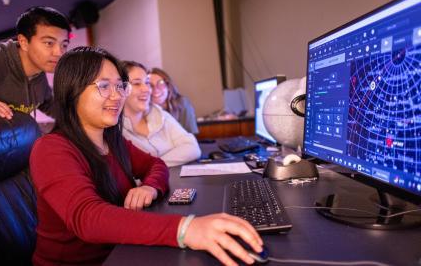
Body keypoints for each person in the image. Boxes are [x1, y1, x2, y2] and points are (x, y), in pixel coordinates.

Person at [29, 47, 264, 265]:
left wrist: (150, 187)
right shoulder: (51, 149)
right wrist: (185, 229)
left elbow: (155, 164)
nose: (117, 95)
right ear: (72, 90)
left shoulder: (112, 141)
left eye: (120, 86)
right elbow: (88, 218)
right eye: (103, 86)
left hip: (121, 251)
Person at [122, 61, 201, 167]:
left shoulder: (159, 114)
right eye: (137, 83)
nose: (147, 89)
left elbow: (193, 148)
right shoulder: (116, 131)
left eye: (147, 83)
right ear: (120, 89)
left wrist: (154, 167)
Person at [149, 67, 199, 134]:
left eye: (160, 83)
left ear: (168, 86)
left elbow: (191, 135)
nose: (156, 89)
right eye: (150, 85)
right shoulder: (144, 109)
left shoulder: (182, 103)